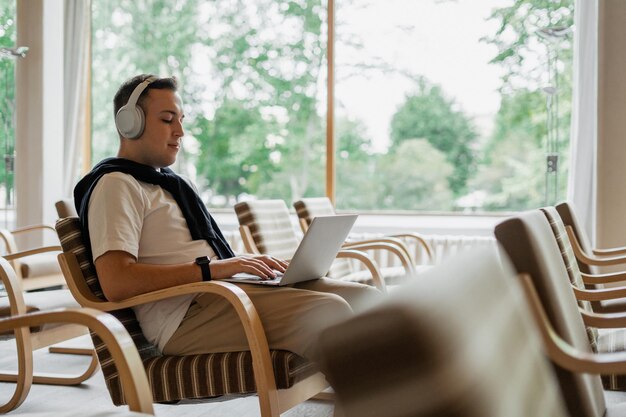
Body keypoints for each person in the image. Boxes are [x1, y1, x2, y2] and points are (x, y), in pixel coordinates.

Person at [73, 74, 380, 360]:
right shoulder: (116, 185)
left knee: (368, 300)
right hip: (186, 318)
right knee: (330, 312)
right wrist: (216, 269)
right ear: (130, 124)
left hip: (224, 294)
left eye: (180, 120)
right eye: (167, 120)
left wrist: (242, 266)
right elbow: (117, 281)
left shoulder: (171, 185)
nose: (180, 131)